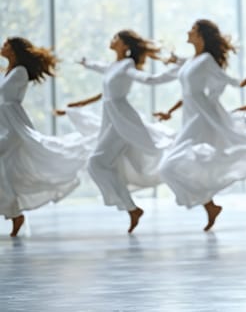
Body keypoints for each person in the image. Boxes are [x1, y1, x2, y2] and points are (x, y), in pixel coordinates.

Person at [155, 19, 246, 231]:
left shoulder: (206, 60)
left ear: (201, 35)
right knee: (177, 165)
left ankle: (208, 202)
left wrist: (244, 82)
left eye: (192, 30)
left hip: (203, 116)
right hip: (191, 115)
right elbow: (187, 92)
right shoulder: (191, 61)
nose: (188, 32)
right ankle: (210, 205)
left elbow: (228, 80)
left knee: (168, 166)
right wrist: (170, 111)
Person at [56, 30, 177, 233]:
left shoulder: (127, 65)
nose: (111, 40)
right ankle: (131, 208)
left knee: (96, 162)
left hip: (122, 120)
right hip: (111, 118)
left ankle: (132, 207)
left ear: (125, 46)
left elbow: (148, 80)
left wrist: (175, 72)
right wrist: (85, 62)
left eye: (115, 39)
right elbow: (100, 67)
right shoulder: (114, 66)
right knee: (98, 164)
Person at [0, 37, 91, 236]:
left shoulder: (19, 72)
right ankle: (14, 213)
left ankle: (15, 213)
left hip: (12, 127)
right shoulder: (9, 72)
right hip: (4, 124)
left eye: (6, 44)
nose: (2, 46)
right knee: (5, 172)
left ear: (14, 50)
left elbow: (9, 101)